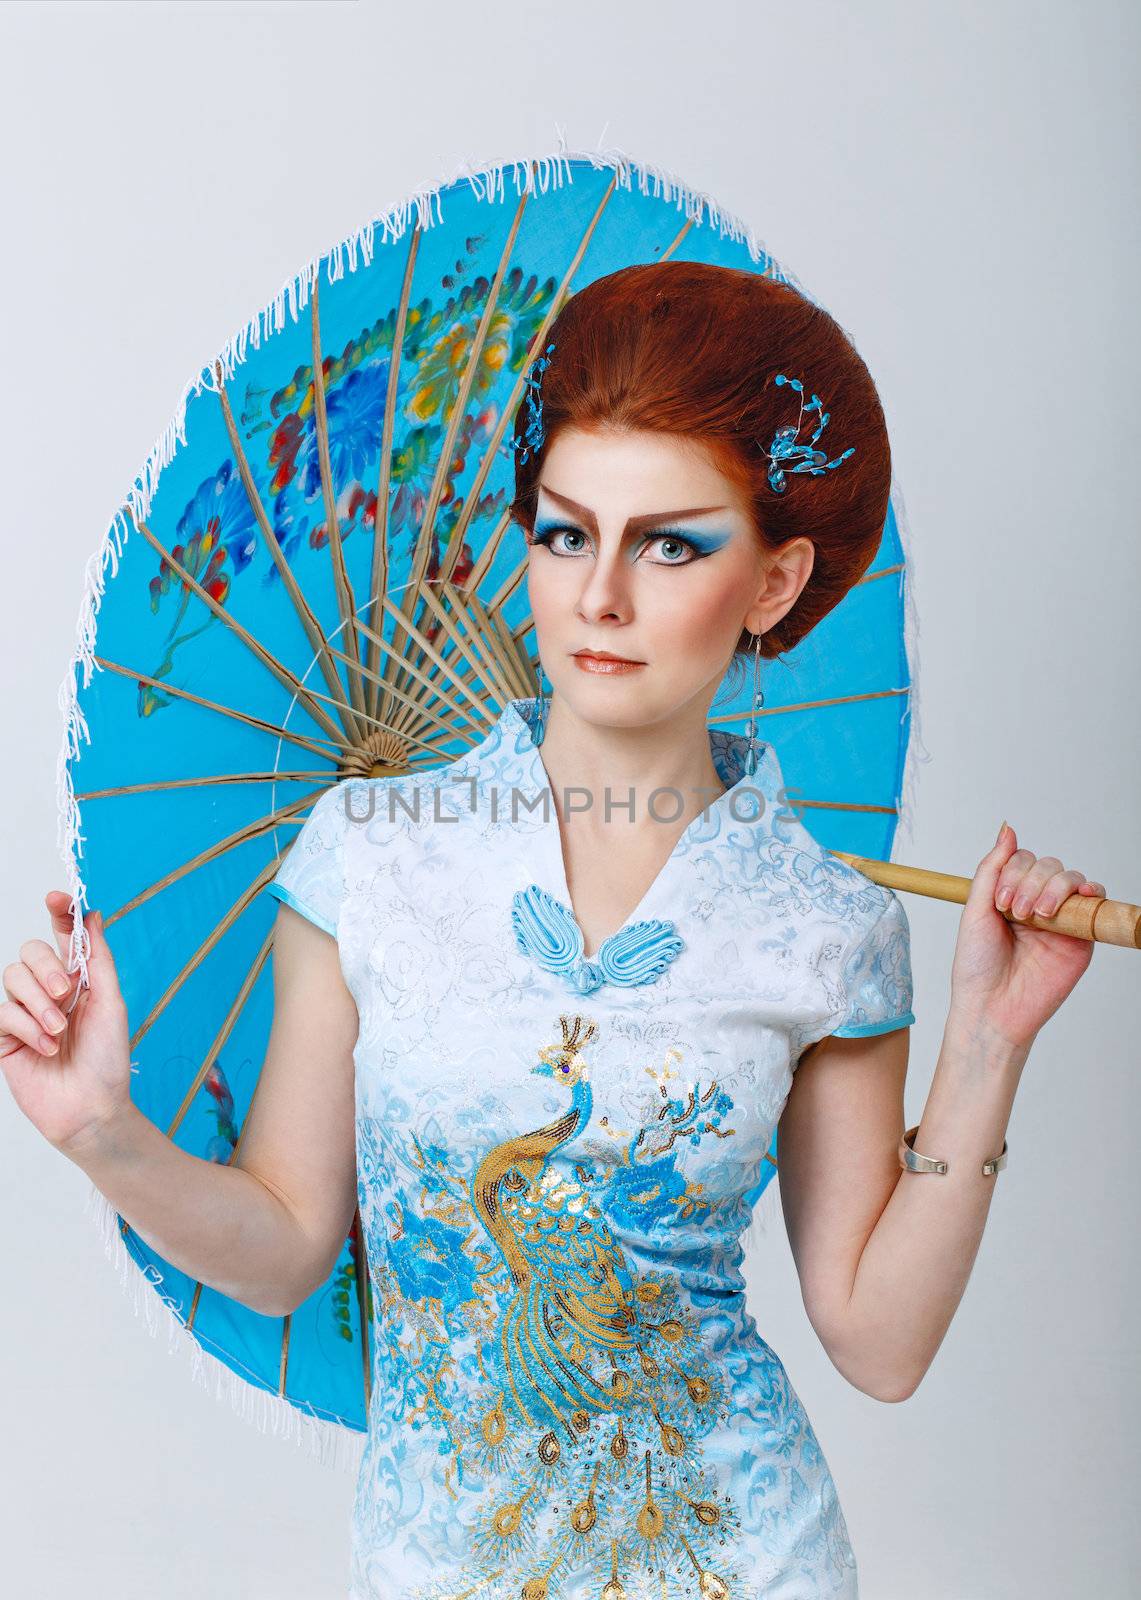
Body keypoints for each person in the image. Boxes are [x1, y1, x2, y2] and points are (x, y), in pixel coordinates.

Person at [2, 261, 1104, 1598]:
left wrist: (988, 1044)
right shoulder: (368, 855)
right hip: (436, 1566)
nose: (599, 597)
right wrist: (99, 1134)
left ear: (774, 580)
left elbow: (877, 1344)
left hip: (741, 1561)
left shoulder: (826, 918)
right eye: (566, 533)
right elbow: (290, 1247)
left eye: (672, 545)